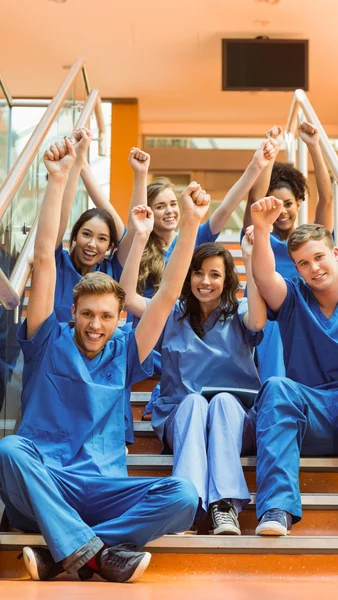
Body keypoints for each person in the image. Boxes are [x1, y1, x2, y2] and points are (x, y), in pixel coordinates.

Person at [0, 138, 214, 583]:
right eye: (86, 314)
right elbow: (44, 261)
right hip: (46, 481)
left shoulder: (126, 351)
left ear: (120, 318)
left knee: (183, 494)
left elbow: (169, 294)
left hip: (103, 487)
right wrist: (57, 181)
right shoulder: (47, 340)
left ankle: (70, 552)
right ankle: (97, 553)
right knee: (9, 449)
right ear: (72, 313)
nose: (95, 325)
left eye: (105, 316)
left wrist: (191, 224)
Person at [250, 197, 338, 537]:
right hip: (309, 413)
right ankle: (276, 509)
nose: (314, 268)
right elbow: (265, 277)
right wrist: (263, 226)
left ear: (336, 254)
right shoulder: (294, 297)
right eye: (303, 263)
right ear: (296, 269)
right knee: (276, 386)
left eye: (319, 257)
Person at [121, 229, 266, 534]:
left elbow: (257, 320)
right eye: (198, 273)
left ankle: (223, 506)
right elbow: (128, 298)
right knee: (195, 402)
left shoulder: (240, 314)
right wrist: (138, 237)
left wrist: (250, 256)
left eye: (215, 274)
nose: (205, 281)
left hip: (234, 422)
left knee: (224, 402)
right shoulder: (171, 314)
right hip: (183, 417)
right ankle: (185, 502)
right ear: (188, 277)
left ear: (226, 281)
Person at [126, 140, 275, 419]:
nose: (169, 210)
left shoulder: (195, 242)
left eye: (173, 203)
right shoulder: (139, 246)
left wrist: (256, 166)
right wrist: (140, 176)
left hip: (193, 354)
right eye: (160, 206)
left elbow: (225, 209)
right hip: (163, 341)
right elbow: (128, 297)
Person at [243, 122, 333, 382]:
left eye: (288, 204)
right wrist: (273, 150)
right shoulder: (257, 236)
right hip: (267, 320)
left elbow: (326, 200)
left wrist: (314, 146)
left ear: (298, 204)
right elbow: (254, 198)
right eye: (275, 204)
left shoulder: (309, 242)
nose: (282, 211)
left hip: (302, 316)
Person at [53, 127, 128, 323]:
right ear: (75, 236)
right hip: (56, 351)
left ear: (111, 245)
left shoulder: (113, 270)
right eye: (86, 234)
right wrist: (75, 163)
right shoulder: (56, 262)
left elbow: (126, 237)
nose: (92, 244)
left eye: (102, 238)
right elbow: (61, 215)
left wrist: (83, 165)